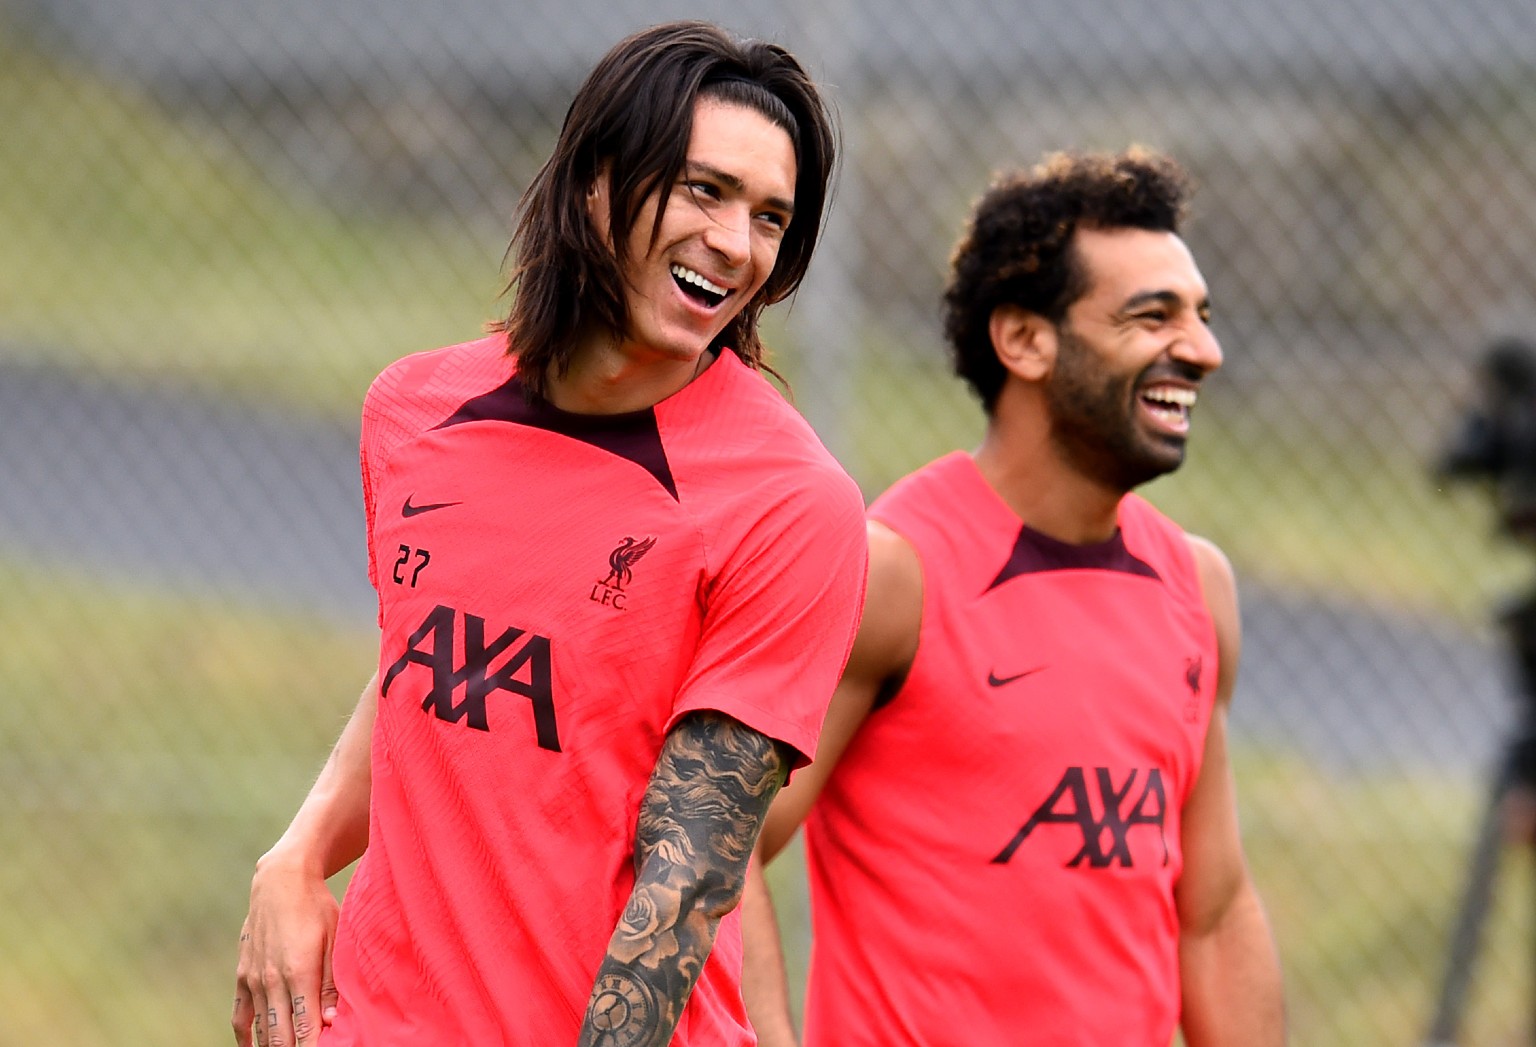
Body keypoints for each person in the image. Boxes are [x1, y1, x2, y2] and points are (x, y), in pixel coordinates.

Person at [231, 20, 868, 1047]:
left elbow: (691, 873)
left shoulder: (790, 502)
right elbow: (427, 658)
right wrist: (297, 855)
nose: (737, 244)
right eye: (704, 190)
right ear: (596, 182)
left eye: (770, 218)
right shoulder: (413, 409)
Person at [741, 147, 1285, 1046]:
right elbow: (722, 848)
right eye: (1153, 316)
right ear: (1025, 339)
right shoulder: (892, 573)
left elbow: (1215, 915)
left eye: (1201, 316)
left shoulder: (1199, 586)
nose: (1202, 350)